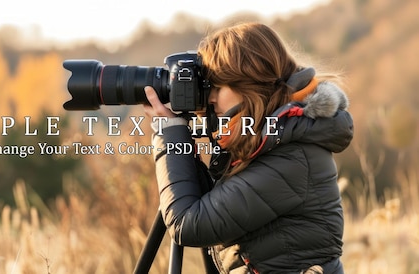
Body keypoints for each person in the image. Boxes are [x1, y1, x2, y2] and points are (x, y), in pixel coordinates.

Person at [143, 22, 353, 273]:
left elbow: (187, 224)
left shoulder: (291, 158)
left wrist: (170, 132)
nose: (210, 98)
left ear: (248, 85)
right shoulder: (271, 142)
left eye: (217, 87)